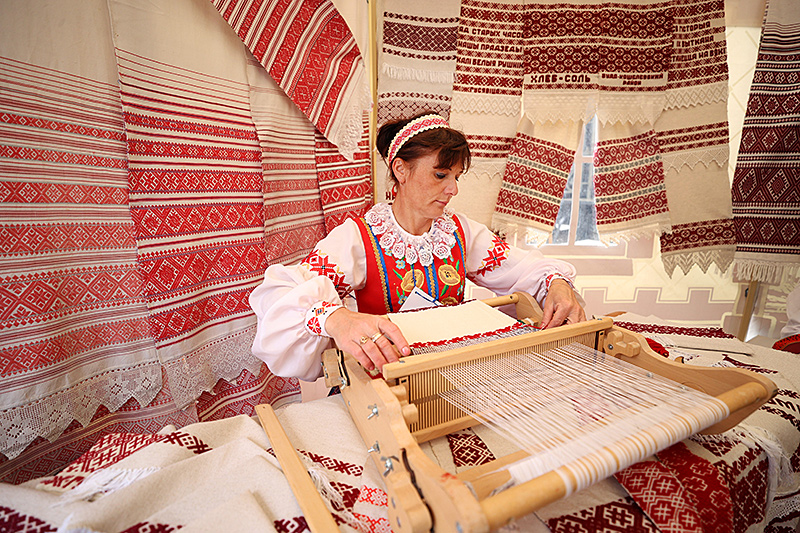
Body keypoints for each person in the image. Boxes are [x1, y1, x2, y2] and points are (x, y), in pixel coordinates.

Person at [249, 113, 586, 381]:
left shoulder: (459, 232)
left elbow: (521, 269)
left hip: (456, 378)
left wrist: (555, 282)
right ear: (401, 169)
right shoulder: (359, 238)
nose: (453, 189)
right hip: (389, 386)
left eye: (456, 177)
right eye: (441, 175)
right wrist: (337, 318)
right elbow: (281, 295)